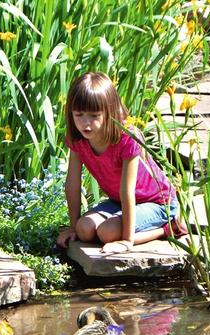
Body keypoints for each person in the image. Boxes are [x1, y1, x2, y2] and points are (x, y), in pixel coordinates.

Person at [56, 72, 185, 253]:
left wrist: (126, 240)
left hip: (158, 202)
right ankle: (115, 229)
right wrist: (72, 226)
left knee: (107, 233)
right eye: (79, 114)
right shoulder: (78, 139)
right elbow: (72, 184)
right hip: (117, 202)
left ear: (109, 112)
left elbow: (127, 190)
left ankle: (167, 228)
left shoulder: (126, 138)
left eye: (94, 116)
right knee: (83, 229)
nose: (86, 123)